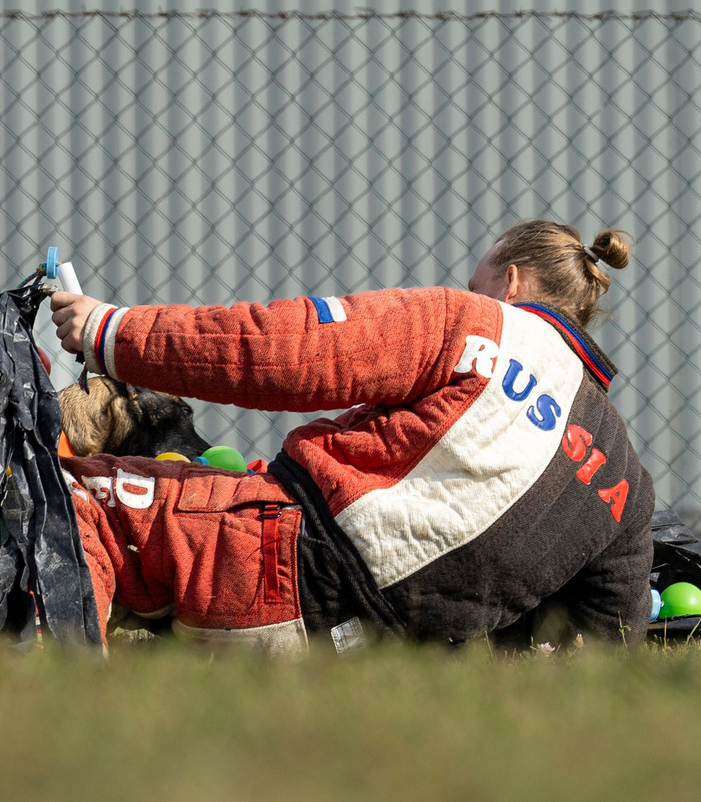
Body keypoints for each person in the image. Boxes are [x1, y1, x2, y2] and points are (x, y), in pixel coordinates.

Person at [46, 220, 654, 653]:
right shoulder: (624, 476)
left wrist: (112, 332)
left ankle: (54, 696)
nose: (471, 294)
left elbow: (287, 350)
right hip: (398, 657)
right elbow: (607, 641)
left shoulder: (476, 324)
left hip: (287, 567)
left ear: (511, 284)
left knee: (68, 501)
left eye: (477, 284)